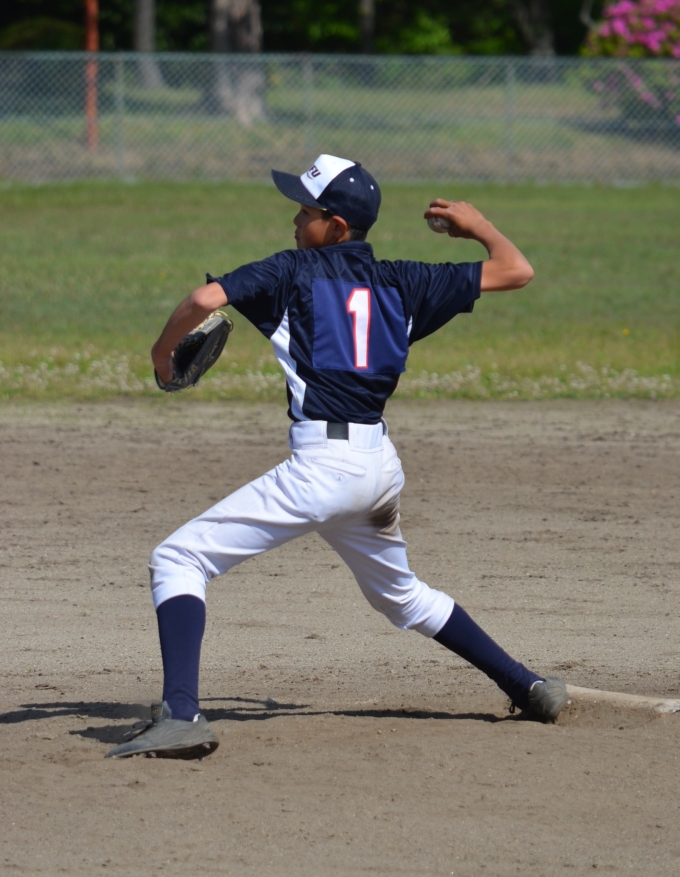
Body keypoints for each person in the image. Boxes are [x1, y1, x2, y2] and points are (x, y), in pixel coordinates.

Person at [106, 154, 568, 759]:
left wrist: (161, 356)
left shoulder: (291, 271)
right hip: (378, 469)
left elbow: (203, 299)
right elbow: (516, 270)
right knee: (401, 596)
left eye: (308, 211)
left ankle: (182, 715)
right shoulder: (405, 281)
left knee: (178, 558)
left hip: (324, 470)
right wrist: (477, 226)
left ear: (338, 227)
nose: (296, 221)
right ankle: (529, 687)